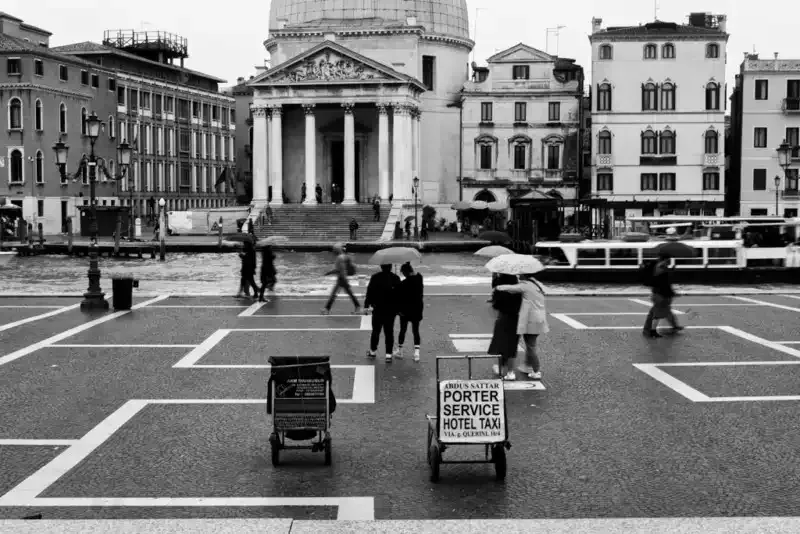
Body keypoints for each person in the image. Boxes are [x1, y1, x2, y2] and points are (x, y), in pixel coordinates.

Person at [494, 273, 548, 380]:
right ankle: (528, 367)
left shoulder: (525, 285)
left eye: (520, 275)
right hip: (539, 319)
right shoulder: (536, 285)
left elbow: (510, 288)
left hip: (531, 321)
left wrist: (498, 287)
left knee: (529, 347)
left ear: (524, 276)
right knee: (531, 345)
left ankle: (536, 371)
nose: (518, 276)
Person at [488, 274, 522, 380]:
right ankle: (510, 372)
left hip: (503, 318)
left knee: (501, 344)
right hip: (516, 318)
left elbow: (495, 305)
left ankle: (502, 368)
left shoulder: (500, 288)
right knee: (512, 345)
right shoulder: (519, 289)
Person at [364, 264, 401, 361]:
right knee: (389, 332)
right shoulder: (395, 278)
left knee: (376, 331)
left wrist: (366, 306)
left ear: (381, 266)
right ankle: (388, 355)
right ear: (391, 266)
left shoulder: (375, 277)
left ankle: (373, 352)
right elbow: (400, 295)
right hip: (391, 310)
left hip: (378, 309)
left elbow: (369, 292)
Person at [643, 253, 683, 338]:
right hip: (660, 295)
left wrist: (670, 270)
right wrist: (670, 270)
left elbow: (663, 279)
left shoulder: (658, 266)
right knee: (657, 314)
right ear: (665, 259)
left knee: (663, 311)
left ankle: (674, 326)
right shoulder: (661, 268)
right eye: (668, 259)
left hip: (658, 293)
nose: (669, 261)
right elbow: (664, 282)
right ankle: (652, 331)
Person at [395, 262, 424, 362]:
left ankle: (400, 351)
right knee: (415, 331)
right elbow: (416, 275)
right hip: (417, 309)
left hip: (405, 311)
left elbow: (398, 298)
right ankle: (416, 354)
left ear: (405, 272)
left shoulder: (403, 284)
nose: (403, 274)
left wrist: (398, 311)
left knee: (403, 330)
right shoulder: (419, 278)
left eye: (403, 272)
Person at [322, 244, 361, 315]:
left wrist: (345, 279)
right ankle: (357, 307)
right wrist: (329, 272)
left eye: (334, 250)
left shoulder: (340, 258)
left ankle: (327, 309)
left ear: (336, 250)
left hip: (342, 278)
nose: (333, 251)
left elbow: (342, 269)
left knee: (334, 294)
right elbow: (340, 269)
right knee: (349, 293)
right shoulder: (344, 256)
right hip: (342, 278)